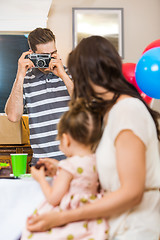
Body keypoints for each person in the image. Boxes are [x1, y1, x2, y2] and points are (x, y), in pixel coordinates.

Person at [26, 36, 160, 240]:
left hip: (135, 228)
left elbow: (132, 192)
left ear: (87, 76)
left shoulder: (127, 110)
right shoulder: (110, 113)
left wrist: (63, 217)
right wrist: (63, 168)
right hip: (117, 225)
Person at [21, 98, 109, 240]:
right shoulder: (96, 161)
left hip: (70, 219)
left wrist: (40, 179)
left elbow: (53, 199)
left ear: (66, 139)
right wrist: (58, 169)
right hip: (92, 220)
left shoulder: (68, 166)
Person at [5, 28, 73, 165]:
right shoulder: (25, 80)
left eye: (53, 53)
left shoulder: (70, 75)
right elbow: (13, 116)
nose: (49, 60)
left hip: (72, 162)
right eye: (44, 56)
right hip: (42, 163)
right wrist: (20, 75)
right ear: (32, 54)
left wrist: (63, 76)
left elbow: (87, 107)